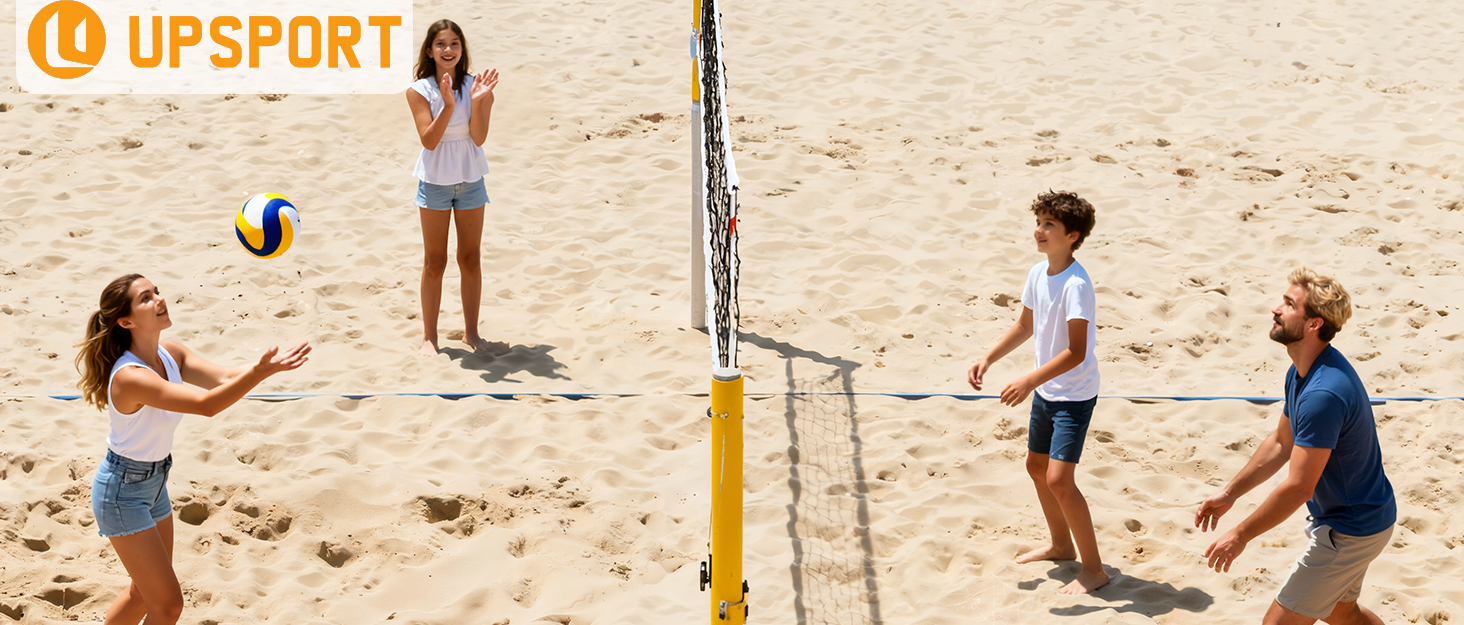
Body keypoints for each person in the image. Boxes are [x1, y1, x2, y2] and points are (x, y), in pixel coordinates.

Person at [76, 274, 309, 625]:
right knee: (168, 606)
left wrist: (267, 368)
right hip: (121, 492)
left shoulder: (172, 354)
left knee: (143, 593)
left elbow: (224, 379)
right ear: (125, 321)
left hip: (153, 485)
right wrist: (259, 373)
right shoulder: (130, 376)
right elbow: (207, 404)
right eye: (145, 298)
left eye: (157, 292)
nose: (159, 299)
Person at [1197, 268, 1395, 625]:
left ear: (1313, 324)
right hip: (1366, 517)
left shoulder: (1324, 393)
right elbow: (1280, 443)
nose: (1276, 309)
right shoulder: (1302, 371)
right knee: (1342, 612)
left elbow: (1298, 487)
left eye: (1289, 305)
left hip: (1351, 528)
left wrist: (1240, 535)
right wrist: (1230, 494)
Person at [967, 190, 1107, 594]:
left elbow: (1077, 352)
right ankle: (1062, 546)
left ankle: (1095, 570)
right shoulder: (1037, 273)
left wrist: (1029, 380)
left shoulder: (1077, 284)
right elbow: (1025, 325)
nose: (1040, 230)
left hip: (1075, 395)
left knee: (1060, 480)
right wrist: (989, 357)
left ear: (1073, 235)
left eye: (1050, 224)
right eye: (1040, 221)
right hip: (1049, 391)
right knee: (1036, 468)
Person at [406, 19, 501, 356]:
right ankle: (429, 338)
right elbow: (429, 141)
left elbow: (478, 137)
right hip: (434, 181)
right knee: (435, 261)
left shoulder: (476, 86)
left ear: (462, 49)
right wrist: (448, 105)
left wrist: (479, 102)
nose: (449, 50)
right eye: (441, 44)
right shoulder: (419, 90)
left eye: (455, 43)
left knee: (470, 259)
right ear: (430, 51)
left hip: (471, 178)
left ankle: (471, 334)